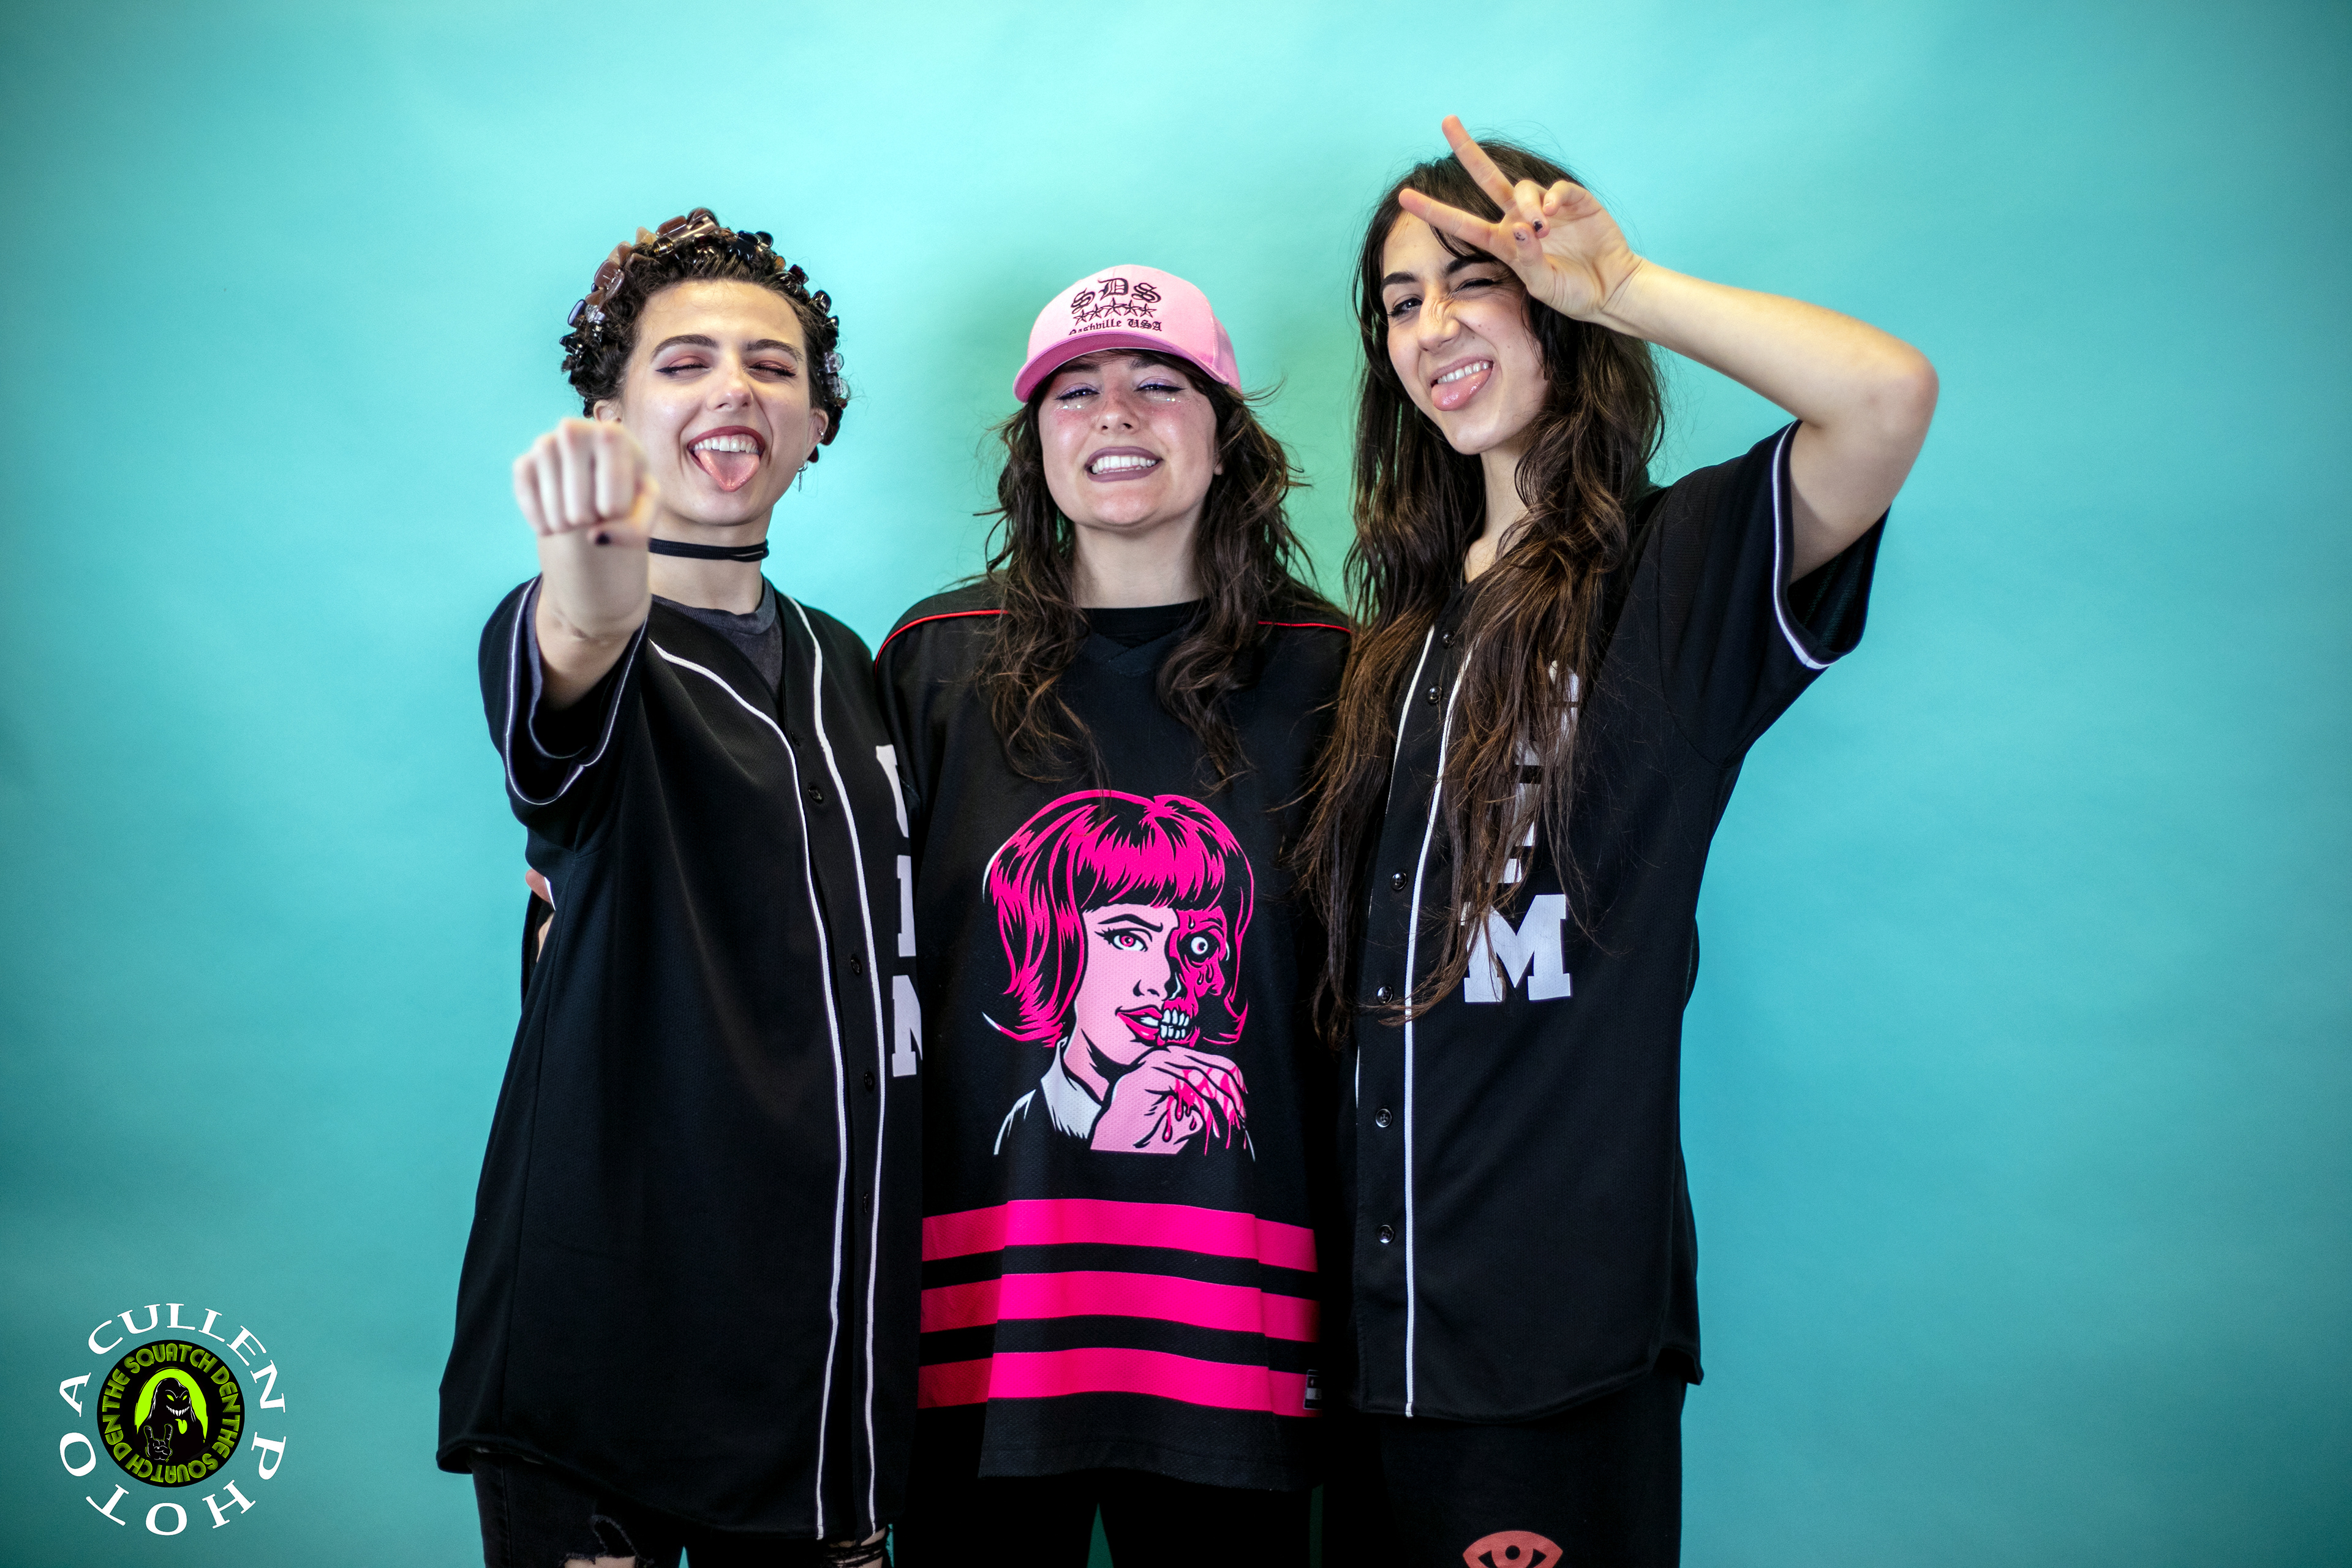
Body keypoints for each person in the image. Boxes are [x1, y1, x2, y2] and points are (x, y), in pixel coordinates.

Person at [1300, 120, 1939, 1565]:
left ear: (1553, 306)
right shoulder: (1391, 640)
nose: (1434, 326)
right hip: (1374, 1347)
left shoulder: (1670, 572)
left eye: (1475, 279)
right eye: (1401, 302)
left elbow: (1886, 397)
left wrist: (1628, 288)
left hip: (1554, 1341)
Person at [438, 209, 914, 1567]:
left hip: (822, 1368)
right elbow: (573, 648)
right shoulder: (572, 630)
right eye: (685, 362)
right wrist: (592, 573)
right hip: (607, 1355)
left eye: (772, 366)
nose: (733, 390)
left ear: (817, 423)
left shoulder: (855, 667)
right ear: (611, 415)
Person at [878, 265, 1349, 1566]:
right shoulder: (935, 658)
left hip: (1240, 1327)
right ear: (1035, 442)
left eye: (1159, 383)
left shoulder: (1334, 667)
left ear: (1225, 434)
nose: (1117, 413)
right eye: (1075, 391)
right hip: (984, 1325)